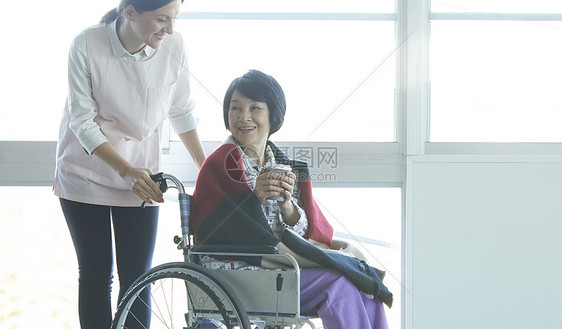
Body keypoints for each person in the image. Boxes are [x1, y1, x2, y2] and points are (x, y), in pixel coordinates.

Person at [190, 70, 392, 329]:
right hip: (240, 270)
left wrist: (288, 207)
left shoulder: (284, 165)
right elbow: (216, 230)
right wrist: (254, 198)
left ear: (273, 114)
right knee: (339, 285)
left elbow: (310, 233)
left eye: (255, 108)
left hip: (283, 266)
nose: (244, 117)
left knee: (365, 284)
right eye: (235, 108)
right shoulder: (219, 164)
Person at [53, 0, 205, 328]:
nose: (171, 28)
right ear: (130, 12)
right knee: (95, 273)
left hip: (142, 175)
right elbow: (82, 122)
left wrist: (205, 169)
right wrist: (125, 170)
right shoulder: (86, 44)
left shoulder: (173, 45)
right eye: (162, 19)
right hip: (85, 172)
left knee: (138, 277)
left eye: (175, 18)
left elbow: (181, 110)